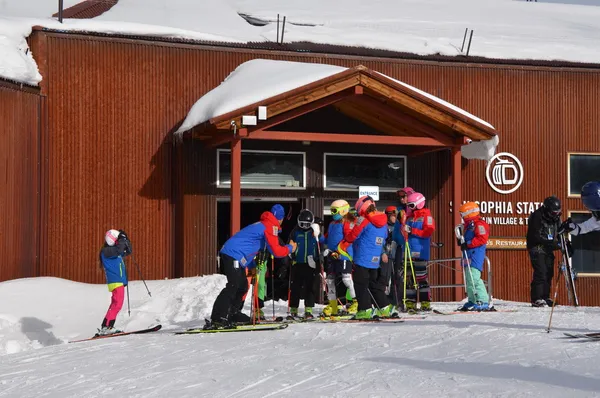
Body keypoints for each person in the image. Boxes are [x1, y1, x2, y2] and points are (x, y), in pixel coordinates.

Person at [208, 204, 297, 329]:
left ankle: (233, 313)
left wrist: (252, 265)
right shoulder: (270, 226)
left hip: (236, 255)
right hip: (233, 254)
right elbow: (276, 251)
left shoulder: (264, 224)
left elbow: (251, 246)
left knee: (243, 286)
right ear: (281, 219)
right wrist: (290, 248)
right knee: (234, 285)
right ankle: (218, 317)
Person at [337, 196, 394, 319]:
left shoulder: (364, 220)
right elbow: (384, 238)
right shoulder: (383, 221)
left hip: (362, 258)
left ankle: (365, 309)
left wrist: (343, 243)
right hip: (375, 260)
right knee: (373, 285)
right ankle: (385, 308)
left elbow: (353, 235)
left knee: (360, 285)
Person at [321, 200, 358, 316]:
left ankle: (356, 302)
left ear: (343, 210)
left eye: (334, 210)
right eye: (331, 211)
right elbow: (327, 239)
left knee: (346, 279)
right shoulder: (332, 224)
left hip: (344, 255)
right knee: (330, 280)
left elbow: (349, 239)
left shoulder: (347, 222)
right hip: (332, 255)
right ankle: (333, 305)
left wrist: (339, 251)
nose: (332, 213)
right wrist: (317, 235)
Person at [527, 196, 562, 307]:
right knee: (541, 271)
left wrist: (563, 243)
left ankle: (545, 296)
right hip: (537, 247)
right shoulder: (537, 216)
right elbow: (535, 235)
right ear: (547, 209)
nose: (555, 215)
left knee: (549, 272)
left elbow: (560, 231)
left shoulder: (556, 218)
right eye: (553, 212)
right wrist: (550, 243)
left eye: (557, 212)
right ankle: (536, 298)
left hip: (548, 247)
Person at [403, 191, 436, 311]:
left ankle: (425, 301)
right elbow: (406, 233)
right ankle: (410, 301)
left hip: (420, 252)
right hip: (409, 251)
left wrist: (413, 231)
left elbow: (428, 231)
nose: (410, 208)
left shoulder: (427, 216)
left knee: (421, 277)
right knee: (409, 278)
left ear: (419, 204)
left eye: (412, 205)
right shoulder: (410, 217)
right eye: (409, 206)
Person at [456, 202, 491, 311]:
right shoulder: (469, 225)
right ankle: (472, 299)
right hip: (468, 254)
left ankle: (483, 300)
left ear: (468, 213)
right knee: (469, 278)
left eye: (462, 213)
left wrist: (468, 243)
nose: (461, 216)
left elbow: (482, 239)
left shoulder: (479, 224)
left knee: (474, 278)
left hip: (476, 254)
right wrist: (461, 241)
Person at [97, 229, 132, 336]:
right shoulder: (107, 251)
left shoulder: (114, 250)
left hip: (118, 281)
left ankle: (108, 326)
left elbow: (128, 251)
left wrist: (126, 239)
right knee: (117, 304)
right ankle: (106, 327)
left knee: (115, 304)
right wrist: (121, 240)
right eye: (117, 239)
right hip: (115, 281)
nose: (118, 242)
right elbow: (119, 250)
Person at [288, 209, 320, 319]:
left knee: (310, 287)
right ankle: (293, 309)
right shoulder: (295, 232)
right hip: (298, 263)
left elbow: (321, 244)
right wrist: (291, 255)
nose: (305, 227)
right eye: (302, 224)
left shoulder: (314, 232)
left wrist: (319, 259)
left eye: (307, 224)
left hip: (311, 264)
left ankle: (308, 310)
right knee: (295, 287)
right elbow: (290, 245)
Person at [392, 187, 415, 306]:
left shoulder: (414, 211)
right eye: (400, 197)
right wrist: (394, 242)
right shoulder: (399, 210)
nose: (401, 199)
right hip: (401, 245)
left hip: (411, 247)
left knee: (412, 275)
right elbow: (396, 228)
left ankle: (413, 300)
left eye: (404, 196)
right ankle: (400, 300)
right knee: (400, 274)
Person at [383, 206, 398, 301]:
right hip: (387, 255)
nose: (394, 218)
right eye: (392, 216)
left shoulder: (398, 226)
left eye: (395, 216)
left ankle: (395, 299)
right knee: (385, 278)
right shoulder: (384, 226)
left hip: (396, 255)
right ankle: (384, 299)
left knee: (396, 278)